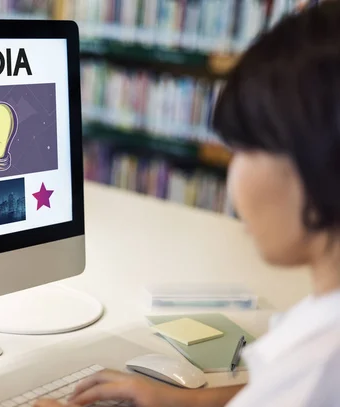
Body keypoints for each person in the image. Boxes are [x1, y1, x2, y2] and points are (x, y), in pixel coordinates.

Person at [36, 3, 340, 407]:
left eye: (244, 150)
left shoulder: (316, 366)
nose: (234, 178)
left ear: (316, 161)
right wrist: (197, 402)